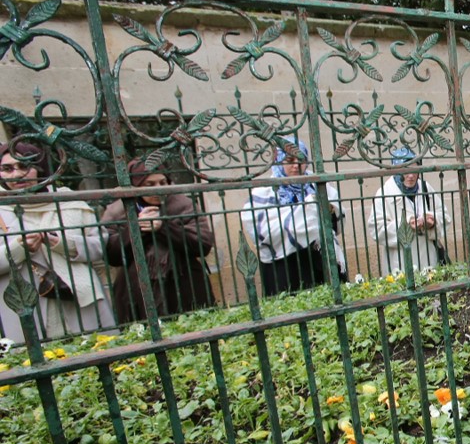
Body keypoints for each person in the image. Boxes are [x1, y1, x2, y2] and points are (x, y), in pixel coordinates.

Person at [0, 141, 115, 343]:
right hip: (23, 306)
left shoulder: (70, 202)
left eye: (24, 166)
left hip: (76, 298)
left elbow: (99, 246)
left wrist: (61, 243)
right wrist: (18, 248)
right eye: (7, 169)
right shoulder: (2, 208)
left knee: (94, 355)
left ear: (40, 168)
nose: (16, 175)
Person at [102, 159, 216, 323]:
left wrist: (164, 227)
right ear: (135, 186)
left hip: (185, 284)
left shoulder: (183, 204)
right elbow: (112, 256)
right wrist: (138, 229)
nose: (158, 189)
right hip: (136, 290)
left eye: (163, 182)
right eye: (149, 184)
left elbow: (203, 245)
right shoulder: (117, 211)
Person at [241, 137, 347, 297]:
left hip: (317, 261)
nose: (296, 165)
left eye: (301, 160)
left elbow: (334, 221)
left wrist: (330, 210)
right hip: (283, 267)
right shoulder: (264, 192)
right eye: (289, 160)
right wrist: (303, 216)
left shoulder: (318, 185)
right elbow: (261, 232)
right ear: (278, 162)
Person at [369, 148, 450, 276]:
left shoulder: (425, 187)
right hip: (400, 261)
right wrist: (406, 225)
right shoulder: (384, 193)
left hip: (428, 256)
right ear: (396, 170)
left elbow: (444, 215)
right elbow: (377, 229)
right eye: (405, 171)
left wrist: (433, 221)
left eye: (414, 170)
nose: (411, 176)